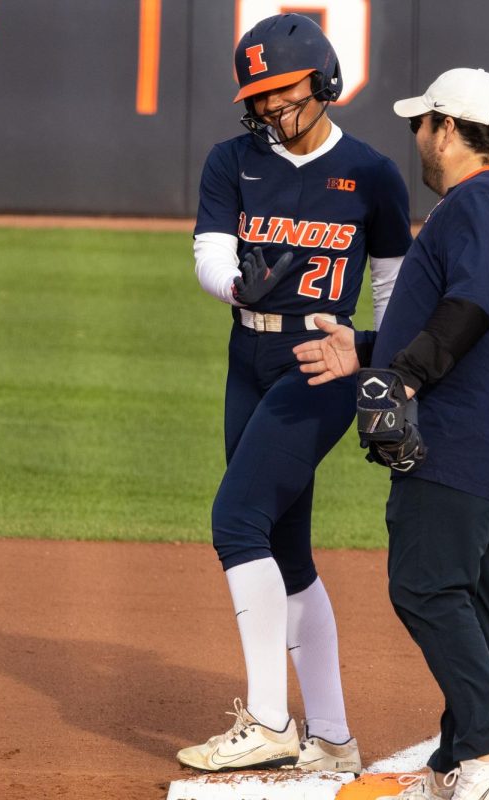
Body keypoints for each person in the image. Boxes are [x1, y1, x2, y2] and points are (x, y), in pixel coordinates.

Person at [293, 68, 489, 800]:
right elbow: (472, 316)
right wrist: (370, 350)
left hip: (465, 439)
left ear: (448, 128)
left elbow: (472, 305)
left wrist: (405, 375)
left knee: (425, 584)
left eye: (423, 122)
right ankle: (457, 764)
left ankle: (487, 750)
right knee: (474, 599)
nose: (416, 135)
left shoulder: (482, 201)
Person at [178, 13, 412, 775]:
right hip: (246, 355)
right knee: (286, 549)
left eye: (285, 90)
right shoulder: (233, 161)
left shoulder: (372, 175)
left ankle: (273, 721)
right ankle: (335, 740)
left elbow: (393, 290)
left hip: (319, 363)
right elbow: (209, 256)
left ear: (323, 80)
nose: (273, 107)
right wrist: (240, 281)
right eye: (260, 96)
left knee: (235, 519)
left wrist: (387, 379)